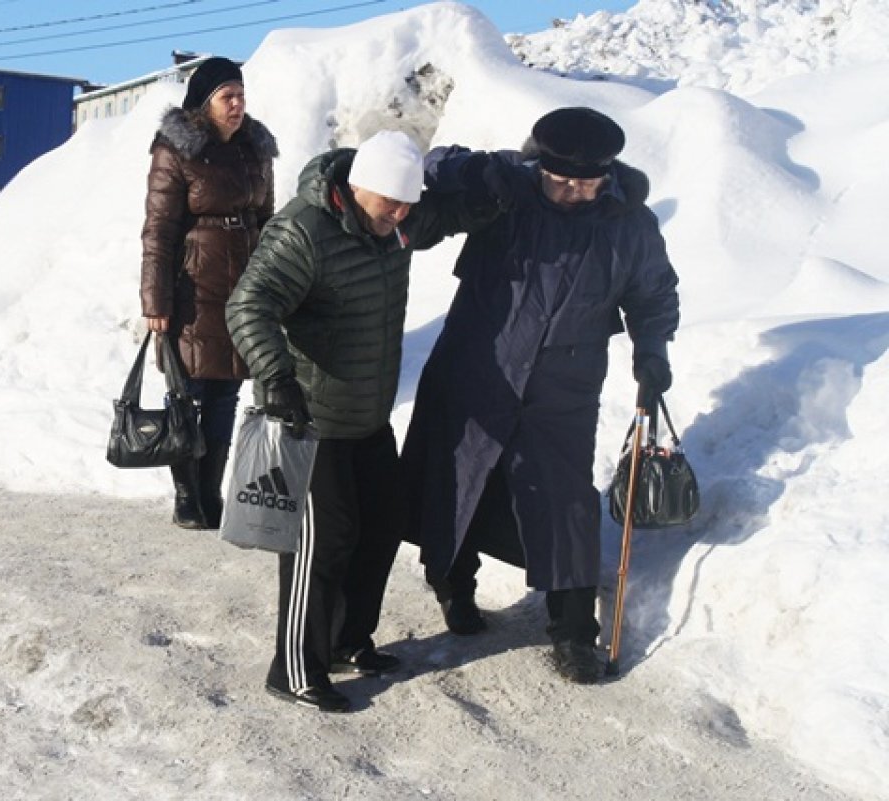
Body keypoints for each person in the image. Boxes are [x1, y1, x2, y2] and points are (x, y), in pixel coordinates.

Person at [226, 130, 504, 712]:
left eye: (408, 205)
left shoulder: (396, 221)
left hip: (369, 414)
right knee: (321, 546)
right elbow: (249, 303)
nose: (401, 216)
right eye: (390, 205)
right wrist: (275, 377)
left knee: (381, 528)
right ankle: (295, 667)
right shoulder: (302, 230)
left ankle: (350, 641)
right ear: (358, 191)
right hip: (310, 418)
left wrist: (492, 194)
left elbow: (441, 218)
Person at [401, 107, 680, 685]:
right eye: (561, 179)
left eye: (588, 181)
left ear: (610, 172)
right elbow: (432, 165)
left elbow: (653, 294)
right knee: (458, 481)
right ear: (540, 166)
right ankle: (454, 589)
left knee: (565, 501)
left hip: (564, 386)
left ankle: (576, 634)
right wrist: (478, 173)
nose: (575, 191)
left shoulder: (630, 223)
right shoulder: (510, 191)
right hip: (477, 368)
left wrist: (652, 351)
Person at [141, 56, 278, 530]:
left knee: (226, 396)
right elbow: (158, 230)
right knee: (188, 394)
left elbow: (267, 220)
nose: (238, 104)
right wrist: (154, 301)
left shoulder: (255, 148)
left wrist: (273, 286)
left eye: (241, 94)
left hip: (243, 289)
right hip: (192, 289)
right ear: (205, 103)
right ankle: (185, 495)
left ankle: (211, 492)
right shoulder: (176, 150)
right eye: (228, 96)